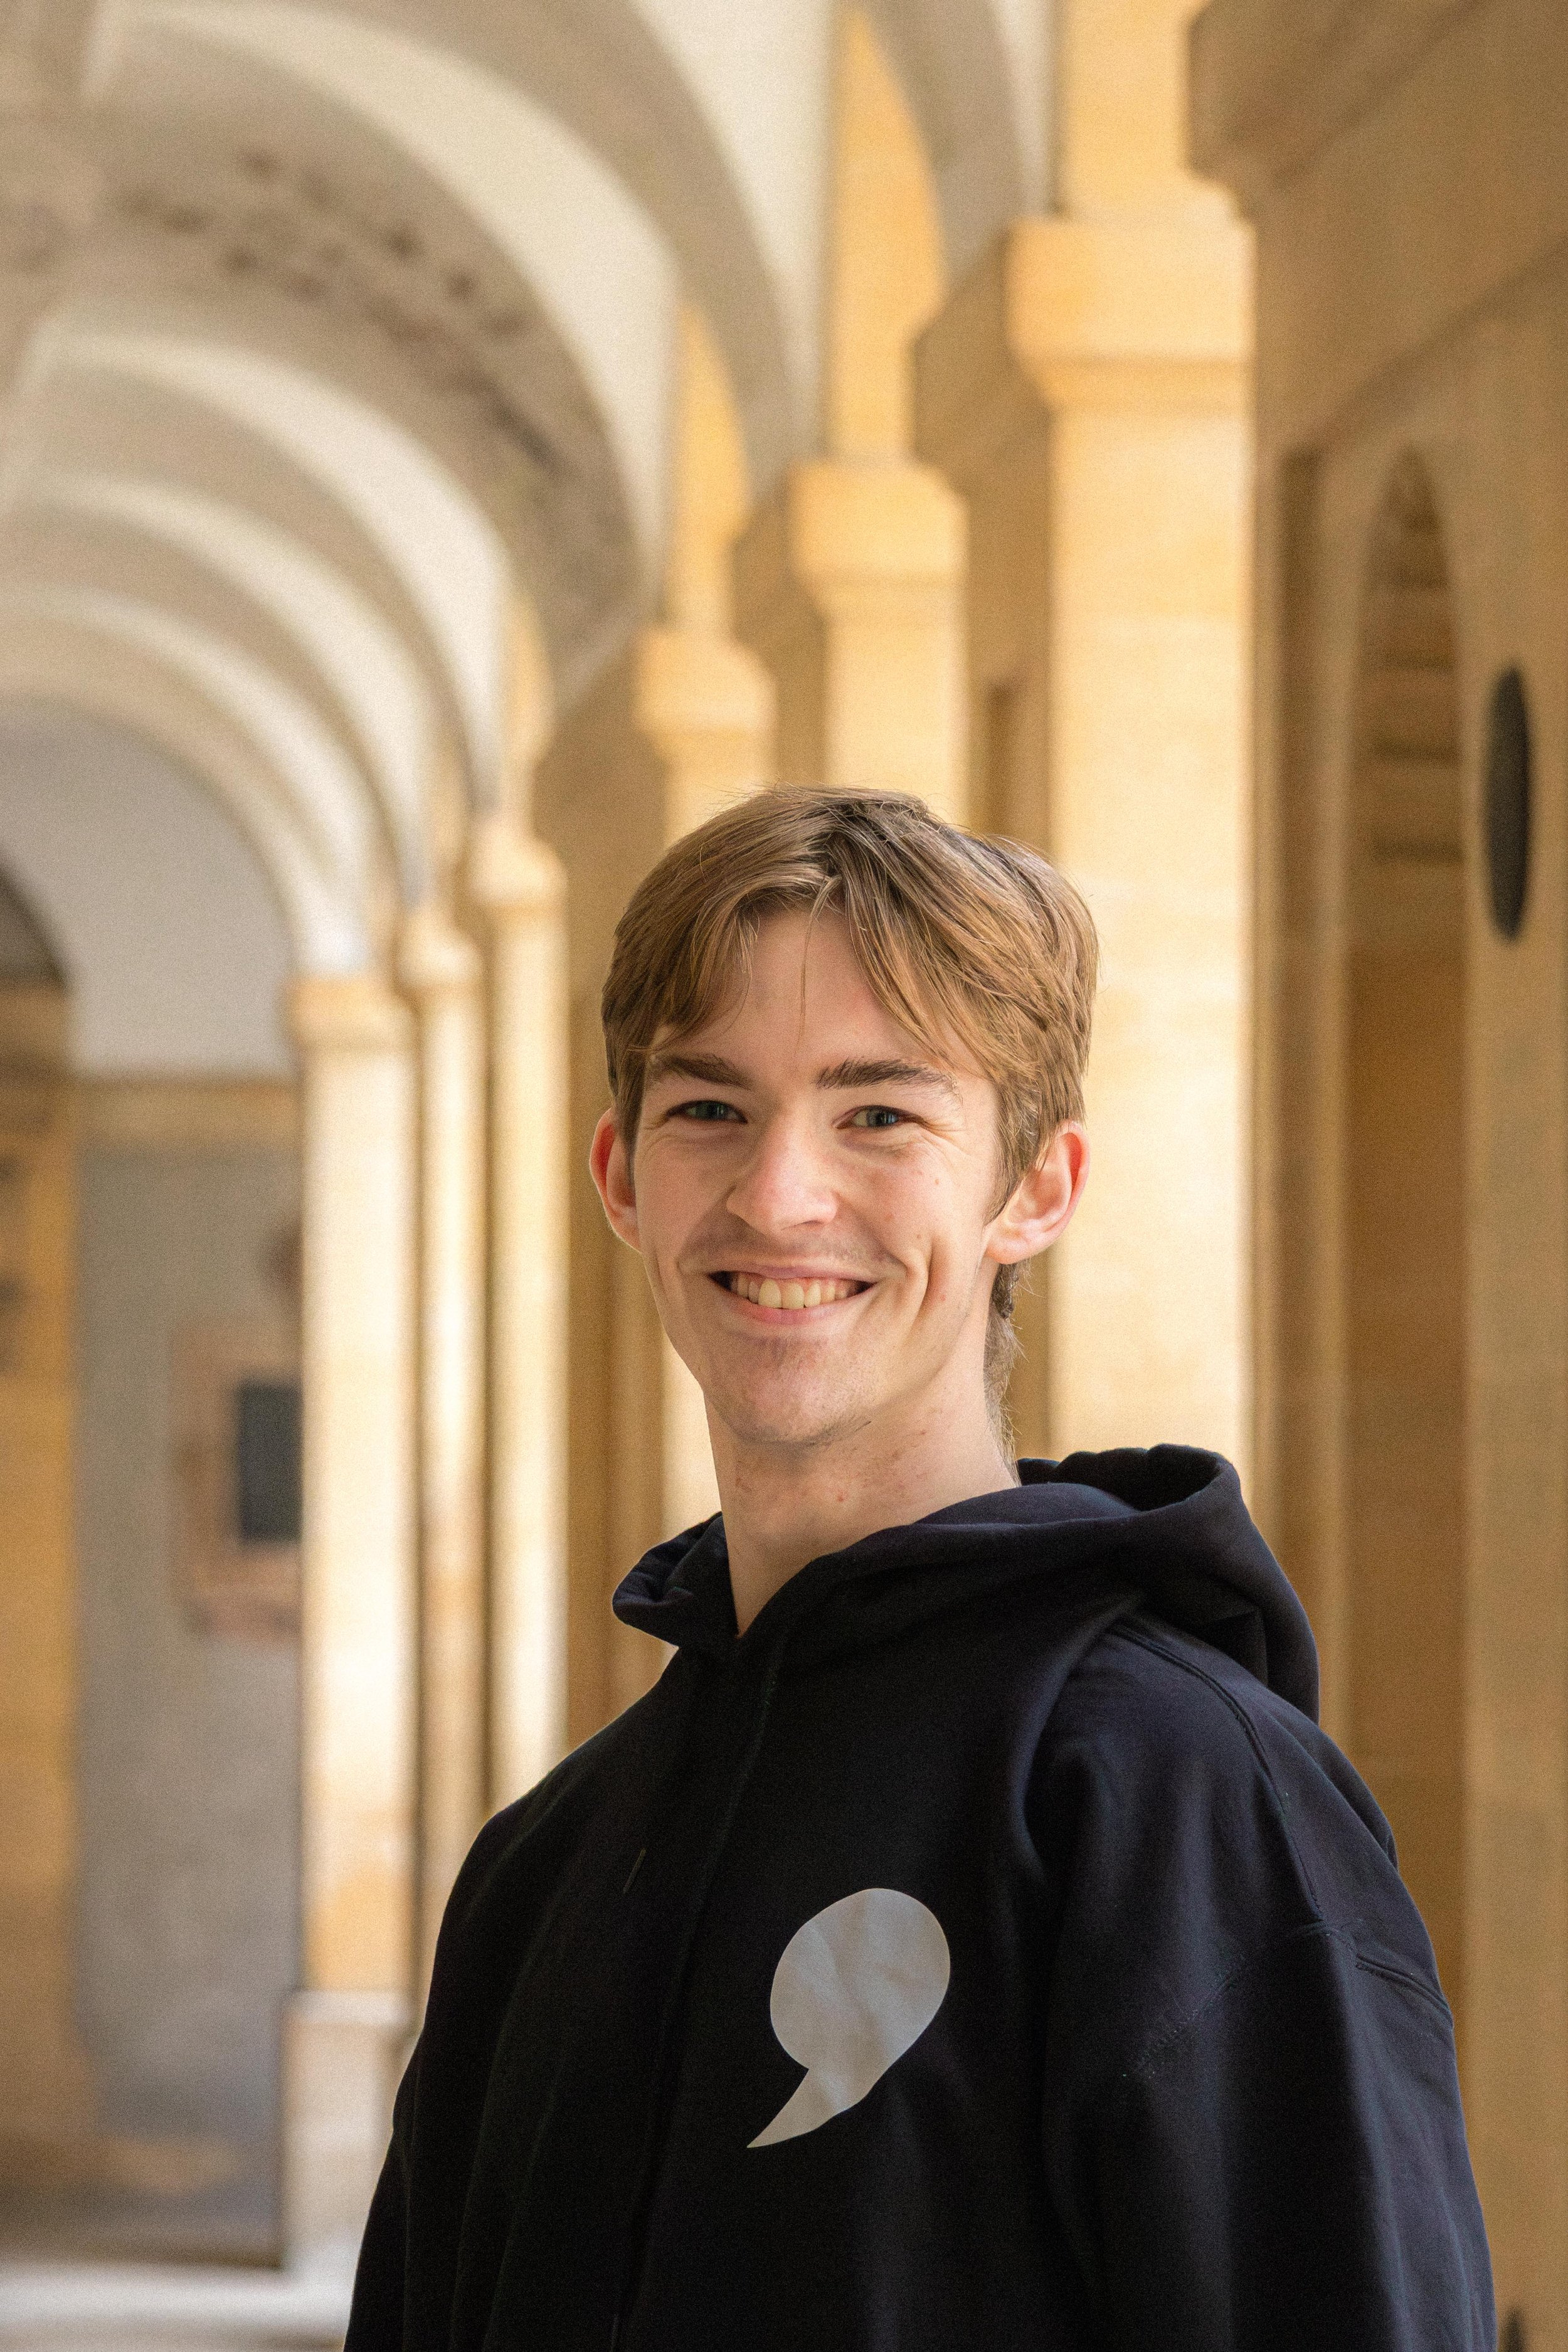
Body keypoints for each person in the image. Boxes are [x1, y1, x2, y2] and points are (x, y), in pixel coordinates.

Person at [346, 787, 1493, 2351]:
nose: (778, 1194)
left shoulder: (1183, 1801)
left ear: (1034, 1188)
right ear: (620, 1176)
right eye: (710, 1109)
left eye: (877, 1114)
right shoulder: (541, 1869)